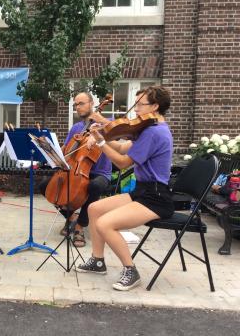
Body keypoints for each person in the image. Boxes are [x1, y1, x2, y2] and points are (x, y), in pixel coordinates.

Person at [77, 86, 174, 291]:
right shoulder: (148, 128)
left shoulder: (155, 133)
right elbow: (122, 148)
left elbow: (122, 163)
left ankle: (131, 270)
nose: (136, 110)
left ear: (155, 106)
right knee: (94, 209)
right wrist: (104, 134)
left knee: (105, 224)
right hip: (141, 191)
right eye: (136, 105)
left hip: (155, 197)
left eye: (140, 105)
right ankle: (98, 261)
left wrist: (102, 142)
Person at [39, 91, 112, 247]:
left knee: (94, 186)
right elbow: (66, 150)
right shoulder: (76, 128)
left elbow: (115, 132)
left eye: (81, 103)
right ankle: (71, 217)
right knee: (45, 186)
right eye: (75, 105)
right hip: (76, 171)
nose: (77, 107)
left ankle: (80, 226)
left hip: (99, 173)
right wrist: (49, 149)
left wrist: (98, 134)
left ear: (92, 104)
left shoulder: (107, 122)